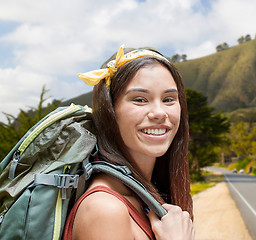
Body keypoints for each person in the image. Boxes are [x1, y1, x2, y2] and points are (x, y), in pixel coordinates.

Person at [63, 45, 194, 240]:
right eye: (140, 99)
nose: (159, 112)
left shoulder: (144, 197)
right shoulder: (105, 209)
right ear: (110, 111)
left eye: (169, 99)